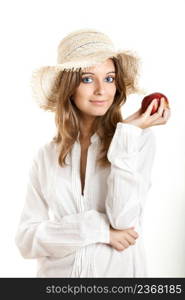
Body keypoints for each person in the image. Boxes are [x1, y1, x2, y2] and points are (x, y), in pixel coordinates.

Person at [15, 29, 171, 277]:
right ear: (69, 87)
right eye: (88, 79)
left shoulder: (136, 141)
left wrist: (126, 135)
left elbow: (122, 220)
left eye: (109, 78)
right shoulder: (45, 156)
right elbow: (26, 239)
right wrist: (98, 229)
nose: (101, 90)